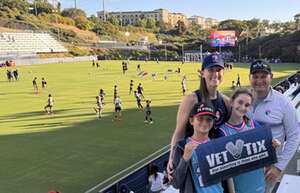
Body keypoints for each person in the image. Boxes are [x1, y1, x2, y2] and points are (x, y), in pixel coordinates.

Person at [168, 53, 230, 181]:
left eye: (218, 70)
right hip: (193, 165)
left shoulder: (226, 102)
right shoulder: (191, 99)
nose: (215, 74)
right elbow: (179, 133)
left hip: (217, 164)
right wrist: (172, 159)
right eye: (211, 70)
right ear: (202, 73)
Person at [247, 59, 300, 193]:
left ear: (271, 77)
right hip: (243, 166)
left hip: (268, 168)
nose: (259, 81)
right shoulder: (242, 100)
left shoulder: (283, 103)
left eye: (263, 76)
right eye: (255, 76)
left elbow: (294, 136)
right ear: (249, 78)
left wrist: (279, 167)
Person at [216, 89, 266, 193]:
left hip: (259, 184)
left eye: (247, 105)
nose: (243, 107)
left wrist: (273, 144)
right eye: (240, 102)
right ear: (231, 102)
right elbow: (227, 170)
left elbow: (265, 154)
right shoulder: (223, 132)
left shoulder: (253, 125)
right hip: (240, 187)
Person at [172, 102, 223, 193]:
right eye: (200, 119)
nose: (204, 123)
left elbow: (226, 176)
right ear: (191, 121)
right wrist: (185, 158)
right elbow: (176, 183)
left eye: (209, 119)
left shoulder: (217, 145)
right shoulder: (181, 147)